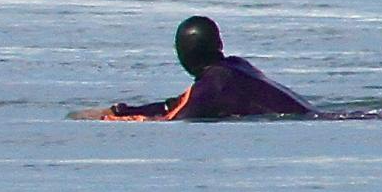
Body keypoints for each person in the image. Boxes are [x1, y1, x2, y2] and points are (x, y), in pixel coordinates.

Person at [89, 15, 318, 121]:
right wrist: (126, 110)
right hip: (315, 115)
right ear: (219, 44)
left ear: (181, 54)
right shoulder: (236, 67)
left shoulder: (213, 84)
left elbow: (177, 117)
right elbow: (177, 104)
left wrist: (116, 120)